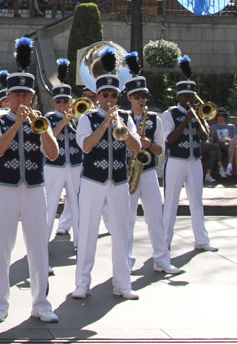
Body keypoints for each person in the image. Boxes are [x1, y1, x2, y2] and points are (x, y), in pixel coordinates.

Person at [0, 37, 59, 324]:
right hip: (5, 189)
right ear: (8, 98)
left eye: (27, 95)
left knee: (39, 247)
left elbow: (52, 154)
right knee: (2, 247)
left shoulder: (41, 121)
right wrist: (16, 124)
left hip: (34, 189)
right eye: (17, 95)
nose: (22, 100)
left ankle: (40, 303)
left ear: (33, 98)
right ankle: (0, 303)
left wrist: (42, 130)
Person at [73, 47, 142, 301]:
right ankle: (82, 283)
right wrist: (105, 124)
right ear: (97, 96)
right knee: (88, 232)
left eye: (113, 94)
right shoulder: (88, 118)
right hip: (92, 181)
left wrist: (121, 125)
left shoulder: (125, 117)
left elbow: (136, 148)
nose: (110, 99)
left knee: (122, 232)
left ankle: (122, 283)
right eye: (105, 95)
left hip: (119, 181)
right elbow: (87, 146)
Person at [121, 52, 180, 275]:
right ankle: (125, 260)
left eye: (144, 96)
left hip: (148, 172)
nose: (141, 100)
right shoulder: (123, 118)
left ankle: (161, 259)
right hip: (128, 173)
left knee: (155, 216)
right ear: (129, 98)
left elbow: (160, 149)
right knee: (127, 219)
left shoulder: (153, 118)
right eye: (137, 96)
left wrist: (147, 145)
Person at [160, 55, 217, 256]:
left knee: (196, 201)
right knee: (171, 202)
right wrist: (186, 119)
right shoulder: (170, 114)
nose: (190, 100)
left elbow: (205, 137)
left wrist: (200, 119)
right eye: (186, 97)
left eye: (191, 97)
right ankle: (164, 242)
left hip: (195, 160)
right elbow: (170, 139)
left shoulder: (197, 113)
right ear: (179, 97)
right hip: (176, 161)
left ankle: (201, 240)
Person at [44, 58, 82, 246]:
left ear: (70, 102)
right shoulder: (48, 118)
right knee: (50, 205)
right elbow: (50, 135)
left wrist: (74, 120)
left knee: (77, 205)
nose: (62, 105)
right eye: (58, 101)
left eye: (65, 101)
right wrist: (63, 123)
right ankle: (43, 242)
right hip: (54, 166)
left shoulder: (79, 116)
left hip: (75, 164)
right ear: (54, 103)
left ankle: (80, 242)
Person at [211, 110, 237, 183]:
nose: (221, 118)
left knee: (235, 146)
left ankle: (232, 169)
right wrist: (220, 139)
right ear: (216, 117)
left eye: (223, 116)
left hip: (230, 145)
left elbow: (236, 141)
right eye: (219, 116)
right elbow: (212, 141)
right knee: (235, 147)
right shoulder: (213, 127)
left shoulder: (231, 126)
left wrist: (228, 140)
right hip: (220, 146)